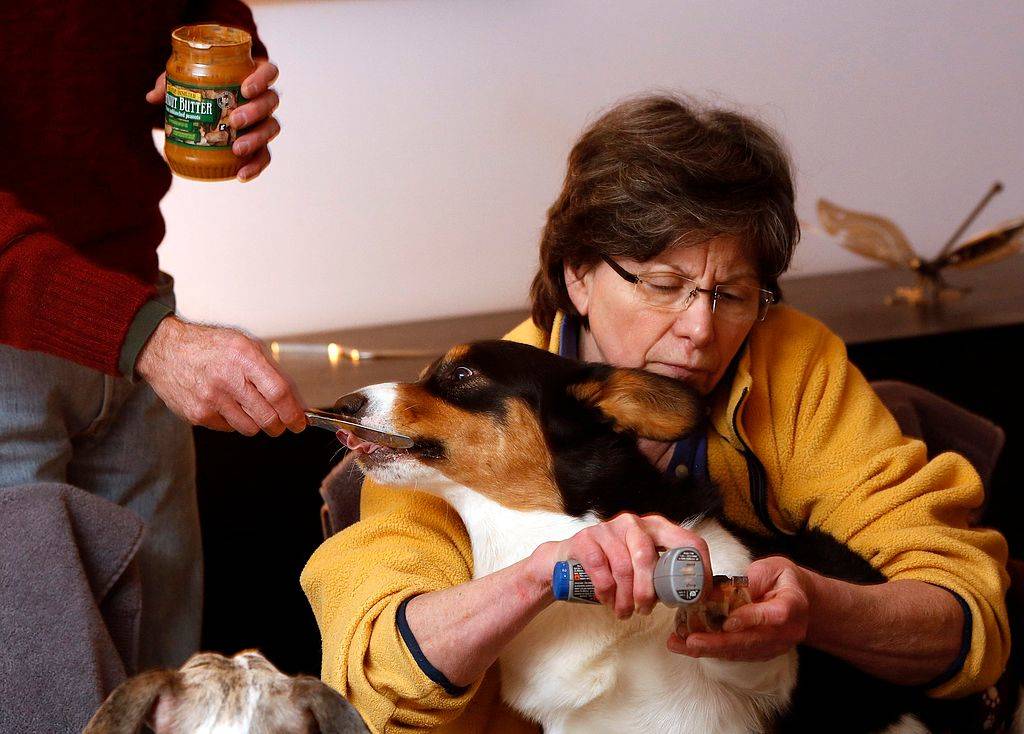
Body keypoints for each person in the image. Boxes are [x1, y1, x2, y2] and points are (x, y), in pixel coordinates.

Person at [300, 95, 1010, 733]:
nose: (699, 329)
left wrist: (815, 610)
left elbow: (964, 613)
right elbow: (370, 683)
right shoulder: (466, 421)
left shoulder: (792, 363)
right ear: (578, 275)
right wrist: (538, 576)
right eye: (665, 285)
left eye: (732, 294)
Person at [0, 0, 304, 682]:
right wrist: (147, 340)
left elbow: (194, 12)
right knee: (34, 694)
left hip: (135, 310)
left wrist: (235, 70)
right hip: (46, 342)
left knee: (166, 688)